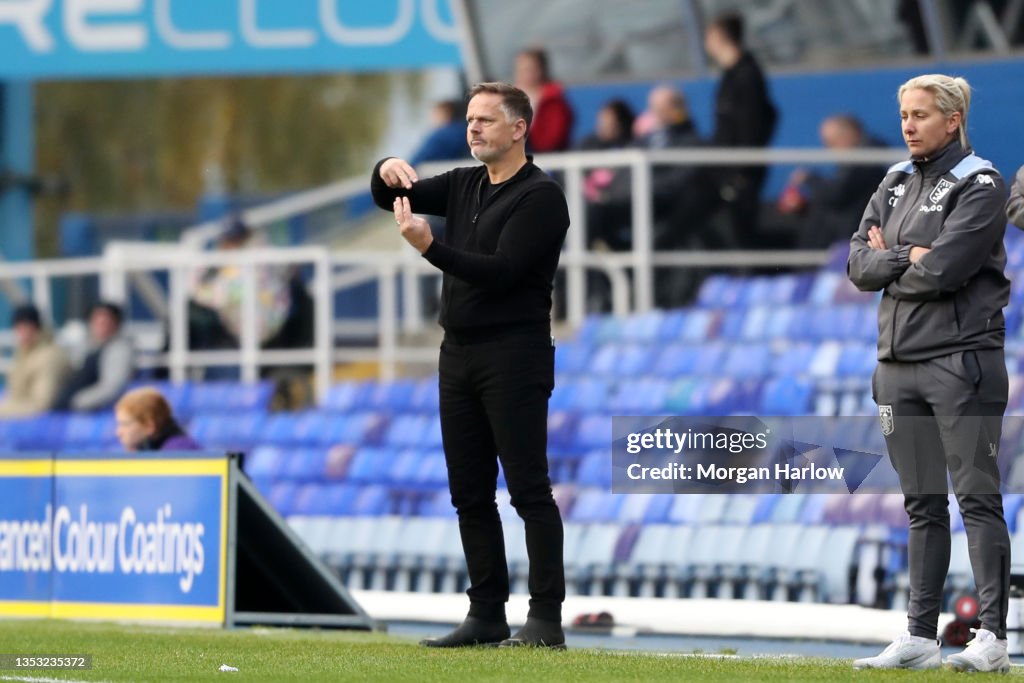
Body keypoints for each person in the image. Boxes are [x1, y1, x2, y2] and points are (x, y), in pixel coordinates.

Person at [370, 82, 569, 649]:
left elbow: (502, 272)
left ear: (518, 129)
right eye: (469, 119)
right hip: (456, 352)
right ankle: (486, 613)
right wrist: (386, 166)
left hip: (514, 353)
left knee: (529, 490)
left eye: (485, 119)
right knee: (469, 492)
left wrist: (430, 247)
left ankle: (545, 619)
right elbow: (388, 195)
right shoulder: (463, 183)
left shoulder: (541, 197)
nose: (473, 128)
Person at [848, 74, 1011, 673]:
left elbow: (944, 271)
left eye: (920, 115)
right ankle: (919, 633)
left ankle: (993, 635)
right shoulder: (892, 181)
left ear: (954, 118)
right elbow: (856, 266)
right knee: (921, 503)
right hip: (896, 366)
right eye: (903, 115)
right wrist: (904, 257)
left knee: (976, 498)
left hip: (959, 362)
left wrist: (896, 258)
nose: (909, 125)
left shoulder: (983, 183)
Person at [704, 12, 778, 246]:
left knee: (743, 233)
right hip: (726, 167)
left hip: (739, 172)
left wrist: (740, 171)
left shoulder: (747, 76)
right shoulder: (730, 76)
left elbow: (755, 123)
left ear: (720, 38)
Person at [779, 115, 889, 249]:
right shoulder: (863, 156)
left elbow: (838, 195)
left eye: (832, 142)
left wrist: (809, 179)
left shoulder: (866, 159)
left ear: (850, 134)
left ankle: (806, 266)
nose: (829, 149)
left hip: (850, 234)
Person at [53, 301, 135, 412]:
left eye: (106, 322)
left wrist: (77, 402)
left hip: (95, 414)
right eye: (97, 321)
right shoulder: (87, 345)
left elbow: (111, 388)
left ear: (116, 324)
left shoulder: (120, 350)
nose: (100, 326)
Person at [0, 304, 70, 417]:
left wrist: (2, 411)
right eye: (18, 327)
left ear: (36, 327)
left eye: (25, 326)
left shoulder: (49, 356)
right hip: (26, 422)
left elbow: (41, 404)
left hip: (47, 427)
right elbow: (15, 395)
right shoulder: (25, 352)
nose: (21, 332)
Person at [513, 48, 574, 153]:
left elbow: (551, 140)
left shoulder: (554, 101)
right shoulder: (506, 99)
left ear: (542, 70)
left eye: (530, 69)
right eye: (521, 69)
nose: (525, 74)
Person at [115, 387, 200, 451]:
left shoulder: (178, 450)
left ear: (149, 427)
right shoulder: (145, 449)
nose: (118, 433)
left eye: (125, 424)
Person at [410, 99, 472, 166]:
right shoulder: (468, 130)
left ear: (447, 114)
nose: (432, 119)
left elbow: (416, 161)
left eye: (436, 114)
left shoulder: (440, 136)